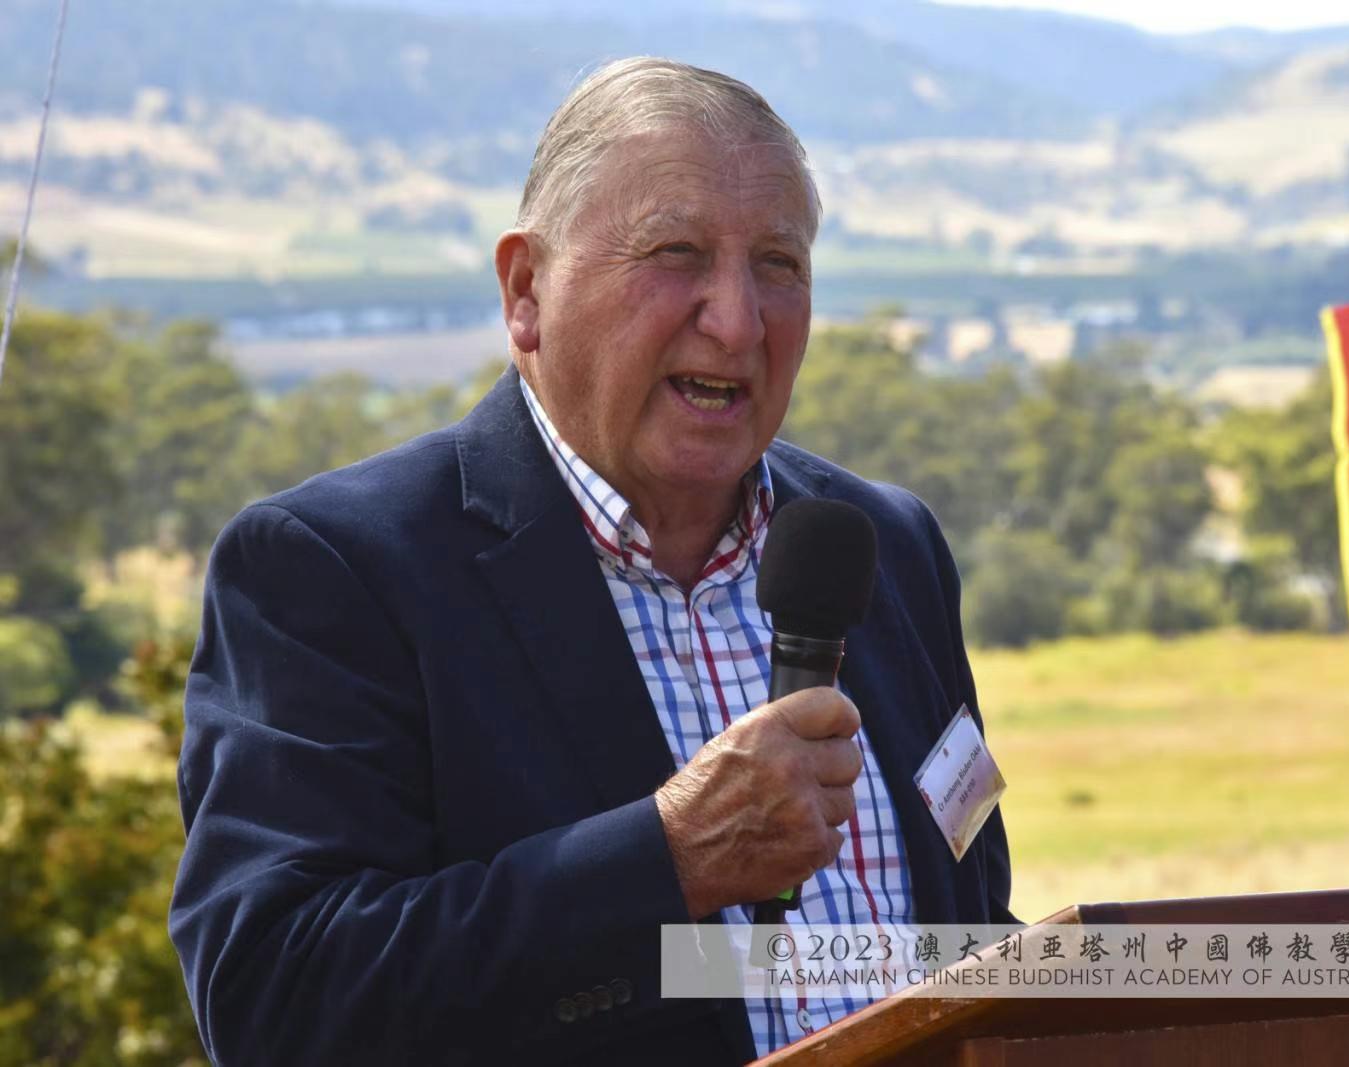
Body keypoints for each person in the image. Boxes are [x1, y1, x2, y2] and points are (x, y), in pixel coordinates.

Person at [169, 57, 1013, 1066]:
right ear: (526, 289)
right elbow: (276, 1000)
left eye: (778, 264)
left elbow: (967, 928)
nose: (737, 319)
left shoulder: (884, 545)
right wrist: (670, 856)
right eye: (675, 253)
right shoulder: (337, 570)